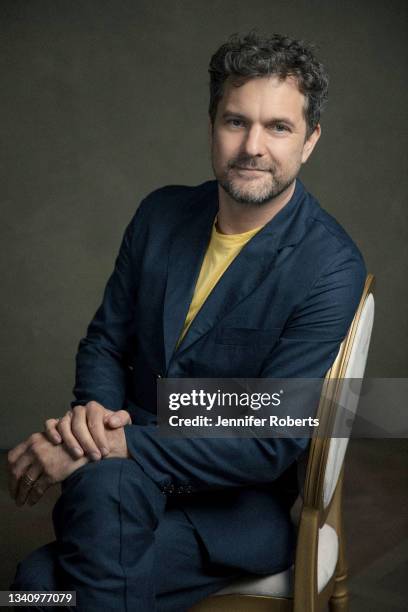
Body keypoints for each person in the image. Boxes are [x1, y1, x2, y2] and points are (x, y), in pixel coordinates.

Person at [8, 32, 366, 611]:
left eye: (278, 127)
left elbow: (268, 437)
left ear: (310, 141)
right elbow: (105, 342)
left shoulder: (330, 266)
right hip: (121, 482)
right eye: (235, 121)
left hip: (230, 509)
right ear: (211, 126)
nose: (253, 145)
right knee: (73, 536)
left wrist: (114, 445)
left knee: (36, 588)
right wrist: (96, 420)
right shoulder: (160, 214)